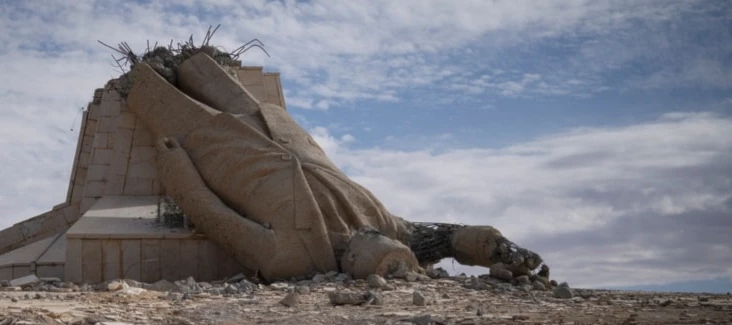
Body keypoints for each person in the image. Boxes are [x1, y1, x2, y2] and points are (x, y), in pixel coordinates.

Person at [126, 52, 543, 281]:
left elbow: (216, 219)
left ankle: (141, 79)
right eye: (396, 258)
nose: (384, 250)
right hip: (282, 131)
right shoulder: (380, 223)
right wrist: (496, 248)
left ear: (354, 267)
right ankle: (184, 63)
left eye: (381, 263)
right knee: (199, 66)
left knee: (150, 93)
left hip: (220, 155)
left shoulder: (293, 259)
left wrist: (179, 174)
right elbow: (446, 238)